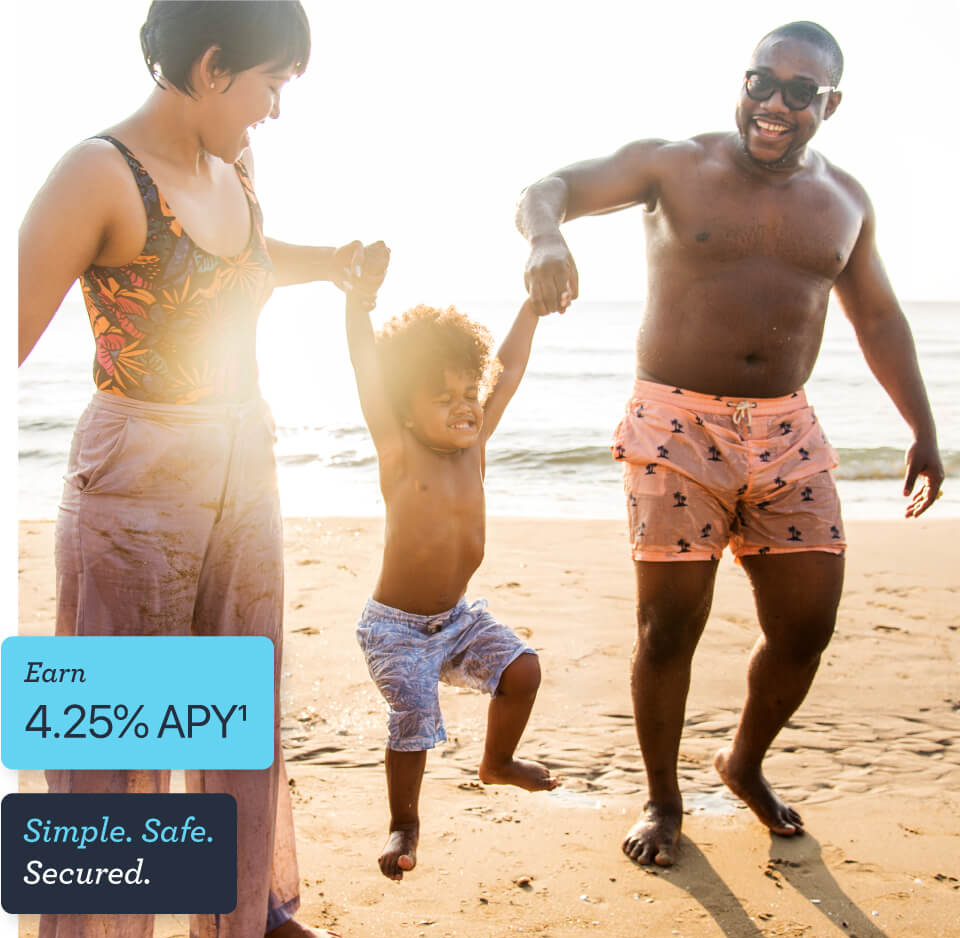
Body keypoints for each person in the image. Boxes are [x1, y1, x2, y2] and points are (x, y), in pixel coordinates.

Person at [516, 20, 944, 868]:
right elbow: (551, 184)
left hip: (788, 427)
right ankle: (664, 798)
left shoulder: (847, 199)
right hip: (675, 423)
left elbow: (880, 317)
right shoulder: (676, 163)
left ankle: (742, 761)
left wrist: (924, 428)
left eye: (798, 92)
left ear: (831, 103)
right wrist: (545, 235)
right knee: (668, 630)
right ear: (742, 82)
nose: (774, 105)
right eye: (761, 82)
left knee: (806, 625)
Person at [18, 3, 384, 938]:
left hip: (244, 462)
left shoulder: (235, 167)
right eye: (271, 84)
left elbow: (248, 266)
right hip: (135, 475)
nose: (274, 109)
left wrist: (339, 265)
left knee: (236, 706)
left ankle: (247, 920)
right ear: (213, 66)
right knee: (120, 737)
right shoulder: (96, 172)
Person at [343, 264, 558, 882]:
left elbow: (509, 370)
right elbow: (365, 371)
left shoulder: (476, 442)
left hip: (458, 619)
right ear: (404, 411)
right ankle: (403, 822)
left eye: (469, 395)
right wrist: (357, 305)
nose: (466, 409)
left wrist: (532, 308)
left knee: (524, 670)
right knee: (413, 714)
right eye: (445, 400)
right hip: (396, 628)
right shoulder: (398, 450)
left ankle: (498, 761)